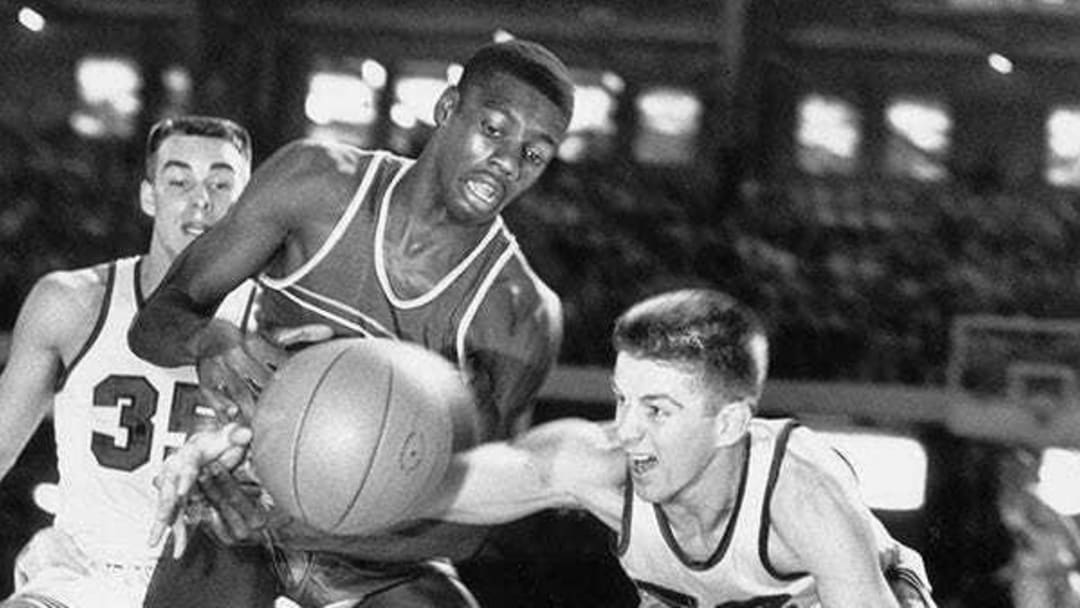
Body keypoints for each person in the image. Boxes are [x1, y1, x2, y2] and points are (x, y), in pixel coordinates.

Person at [128, 38, 572, 607]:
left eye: (534, 154)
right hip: (244, 511)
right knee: (213, 538)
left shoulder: (519, 312)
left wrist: (307, 512)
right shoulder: (316, 185)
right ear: (446, 108)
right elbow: (157, 320)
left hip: (383, 550)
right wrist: (207, 337)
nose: (508, 163)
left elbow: (471, 522)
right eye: (493, 130)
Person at [157, 288, 938, 607]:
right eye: (624, 399)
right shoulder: (594, 463)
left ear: (731, 422)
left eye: (658, 410)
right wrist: (267, 478)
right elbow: (427, 484)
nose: (627, 430)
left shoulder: (802, 499)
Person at [0, 116, 269, 608]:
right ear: (149, 196)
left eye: (220, 183)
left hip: (217, 587)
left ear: (248, 202)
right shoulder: (72, 302)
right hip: (87, 575)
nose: (200, 200)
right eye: (179, 180)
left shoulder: (275, 323)